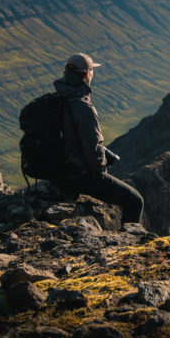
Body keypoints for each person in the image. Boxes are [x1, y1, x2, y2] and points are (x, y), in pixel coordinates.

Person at [52, 52, 144, 225]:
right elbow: (92, 149)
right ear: (87, 74)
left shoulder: (57, 99)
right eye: (92, 71)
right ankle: (128, 241)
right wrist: (101, 172)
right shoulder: (82, 107)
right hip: (77, 176)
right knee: (135, 201)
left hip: (58, 173)